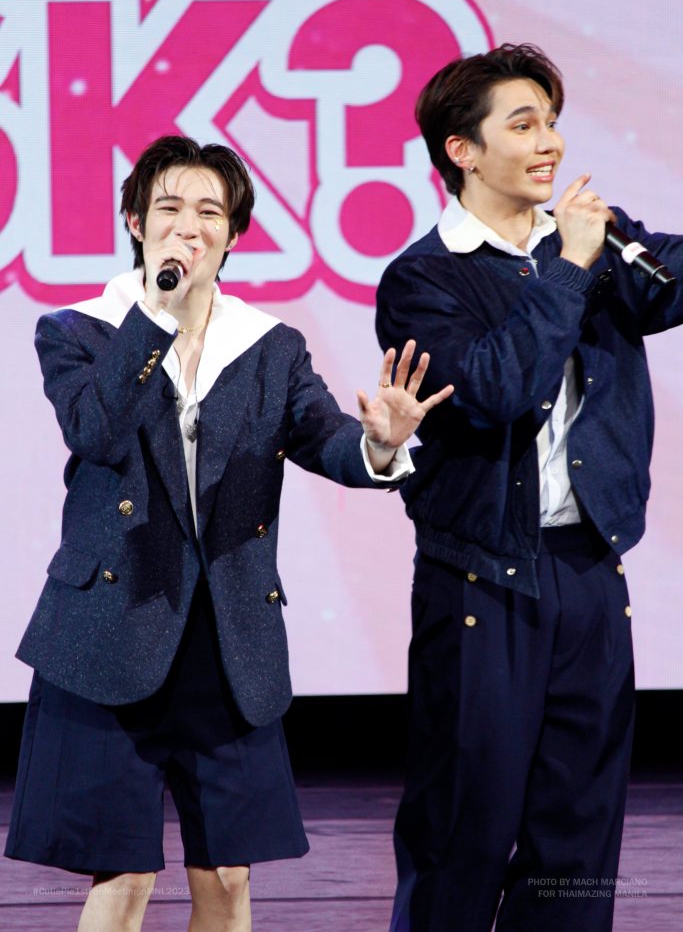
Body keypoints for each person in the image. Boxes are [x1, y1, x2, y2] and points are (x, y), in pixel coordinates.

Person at [5, 134, 453, 932]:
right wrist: (155, 315)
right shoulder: (78, 330)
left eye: (209, 212)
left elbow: (325, 438)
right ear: (136, 223)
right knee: (122, 878)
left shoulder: (268, 345)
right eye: (169, 208)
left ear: (234, 234)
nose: (189, 226)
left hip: (227, 637)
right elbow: (96, 430)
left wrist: (379, 444)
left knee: (228, 874)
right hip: (108, 631)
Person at [375, 43, 683, 932]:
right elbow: (496, 389)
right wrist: (568, 269)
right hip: (480, 578)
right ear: (462, 150)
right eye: (523, 124)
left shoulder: (595, 240)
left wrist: (586, 252)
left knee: (576, 831)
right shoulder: (423, 278)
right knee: (463, 827)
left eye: (550, 122)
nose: (549, 142)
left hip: (587, 568)